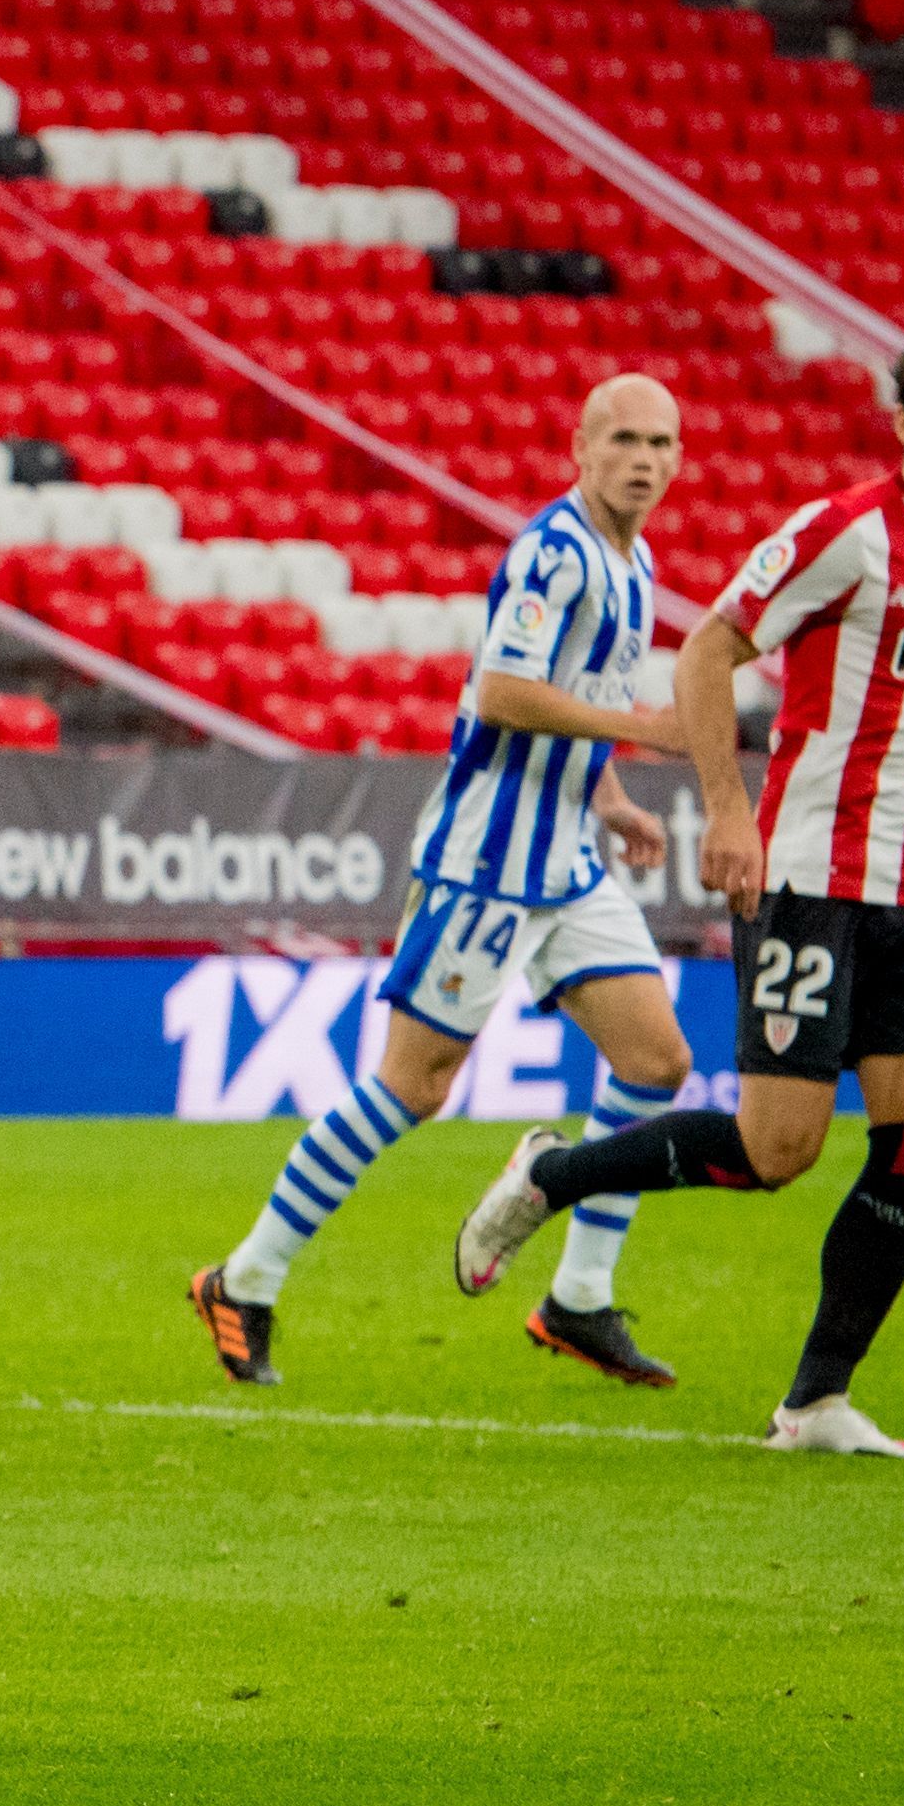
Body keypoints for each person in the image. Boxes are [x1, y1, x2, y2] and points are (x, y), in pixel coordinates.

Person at [457, 322, 904, 1456]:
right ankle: (552, 1171)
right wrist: (728, 810)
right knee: (779, 1152)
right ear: (903, 417)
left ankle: (814, 1399)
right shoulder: (845, 532)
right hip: (812, 878)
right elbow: (708, 651)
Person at [186, 374, 700, 1388]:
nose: (645, 459)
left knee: (655, 1059)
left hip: (565, 855)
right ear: (578, 449)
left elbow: (573, 701)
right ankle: (242, 1277)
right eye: (625, 440)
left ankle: (578, 1297)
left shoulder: (634, 562)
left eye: (662, 442)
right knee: (410, 1089)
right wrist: (645, 732)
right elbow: (503, 691)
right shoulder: (551, 553)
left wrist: (610, 799)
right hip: (484, 863)